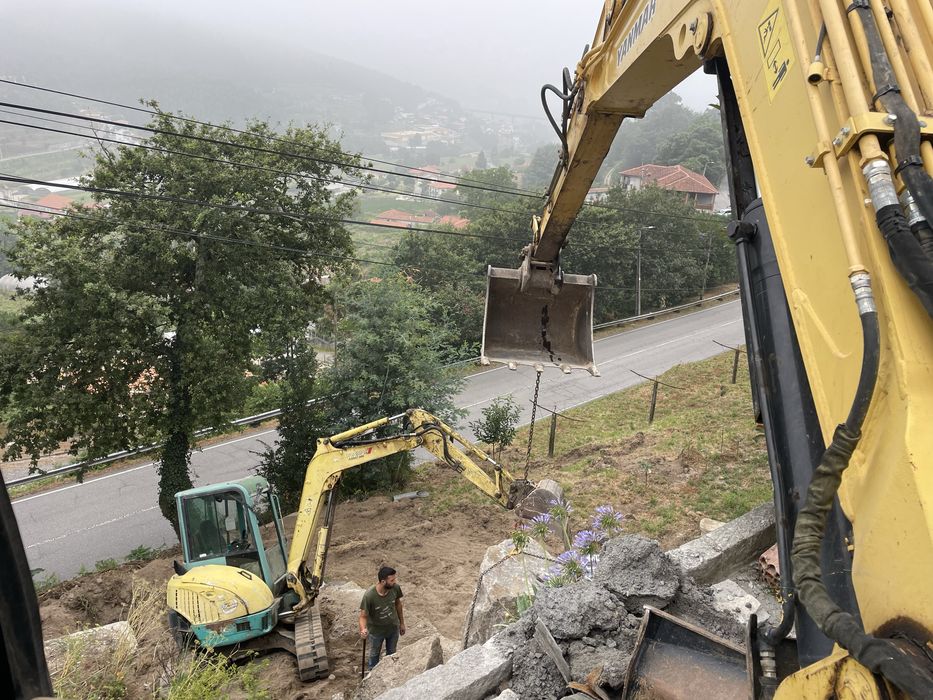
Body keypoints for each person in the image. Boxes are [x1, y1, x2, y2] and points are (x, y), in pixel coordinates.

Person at [359, 565, 406, 669]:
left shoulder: (395, 588)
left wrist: (402, 623)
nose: (395, 582)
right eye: (392, 580)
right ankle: (372, 673)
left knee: (392, 653)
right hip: (376, 632)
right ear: (383, 581)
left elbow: (398, 604)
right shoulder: (369, 596)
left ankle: (388, 671)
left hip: (393, 629)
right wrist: (363, 629)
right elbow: (363, 616)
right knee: (374, 654)